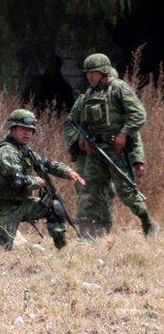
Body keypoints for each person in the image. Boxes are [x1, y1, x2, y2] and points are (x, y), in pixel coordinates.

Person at [64, 53, 158, 237]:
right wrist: (81, 140)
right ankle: (88, 233)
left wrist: (124, 134)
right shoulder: (87, 96)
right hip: (94, 151)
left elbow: (138, 115)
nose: (90, 76)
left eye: (94, 72)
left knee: (125, 191)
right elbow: (74, 124)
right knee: (88, 189)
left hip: (115, 150)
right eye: (87, 73)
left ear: (104, 72)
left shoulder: (118, 88)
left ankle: (147, 221)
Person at [0, 109, 85, 252]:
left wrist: (68, 172)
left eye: (31, 130)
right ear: (12, 129)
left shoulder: (24, 150)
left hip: (23, 204)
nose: (28, 133)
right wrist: (38, 182)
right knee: (0, 249)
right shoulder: (6, 152)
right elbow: (17, 182)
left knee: (54, 206)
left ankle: (62, 247)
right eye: (23, 129)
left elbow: (45, 164)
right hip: (4, 208)